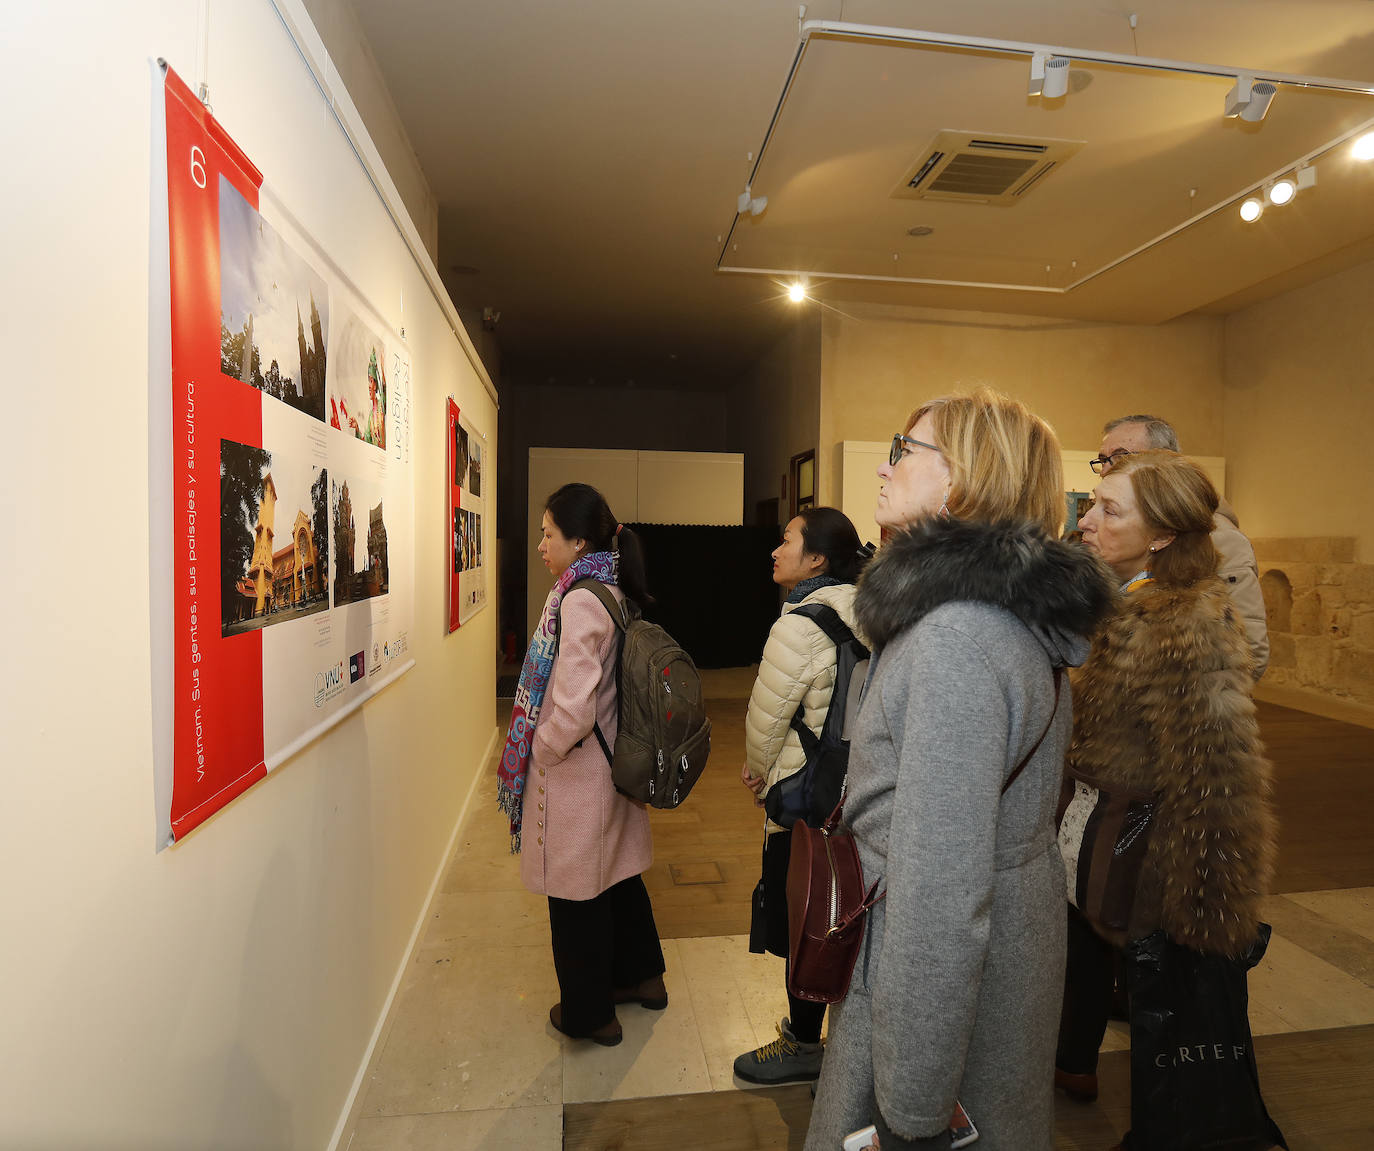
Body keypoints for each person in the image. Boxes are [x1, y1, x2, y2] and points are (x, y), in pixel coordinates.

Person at [805, 389, 1115, 1151]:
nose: (885, 465)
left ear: (965, 478)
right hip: (991, 950)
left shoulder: (957, 639)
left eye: (904, 449)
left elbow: (941, 893)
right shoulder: (983, 620)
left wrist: (911, 1108)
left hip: (932, 982)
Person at [1054, 450, 1278, 1143]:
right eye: (1091, 504)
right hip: (1110, 847)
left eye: (1109, 509)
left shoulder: (1182, 622)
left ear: (1161, 535)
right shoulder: (1122, 603)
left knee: (1173, 1041)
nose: (1087, 521)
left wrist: (1208, 912)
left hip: (1157, 865)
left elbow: (1218, 778)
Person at [495, 482, 666, 1047]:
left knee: (576, 898)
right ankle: (643, 978)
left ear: (579, 540)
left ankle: (591, 1014)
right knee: (617, 878)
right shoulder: (609, 589)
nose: (541, 545)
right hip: (611, 766)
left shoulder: (578, 600)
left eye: (549, 534)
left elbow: (571, 708)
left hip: (579, 773)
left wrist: (538, 751)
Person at [733, 507, 872, 1086]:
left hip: (805, 796)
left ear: (815, 559)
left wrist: (757, 773)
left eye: (786, 540)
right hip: (858, 788)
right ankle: (843, 1035)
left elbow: (766, 723)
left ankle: (803, 1044)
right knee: (846, 908)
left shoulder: (797, 623)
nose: (775, 550)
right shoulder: (870, 611)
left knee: (804, 912)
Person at [1092, 414, 1268, 679]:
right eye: (1103, 459)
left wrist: (1170, 697)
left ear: (1164, 459)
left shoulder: (1221, 537)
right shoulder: (1113, 530)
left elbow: (1249, 648)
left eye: (1121, 456)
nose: (1107, 469)